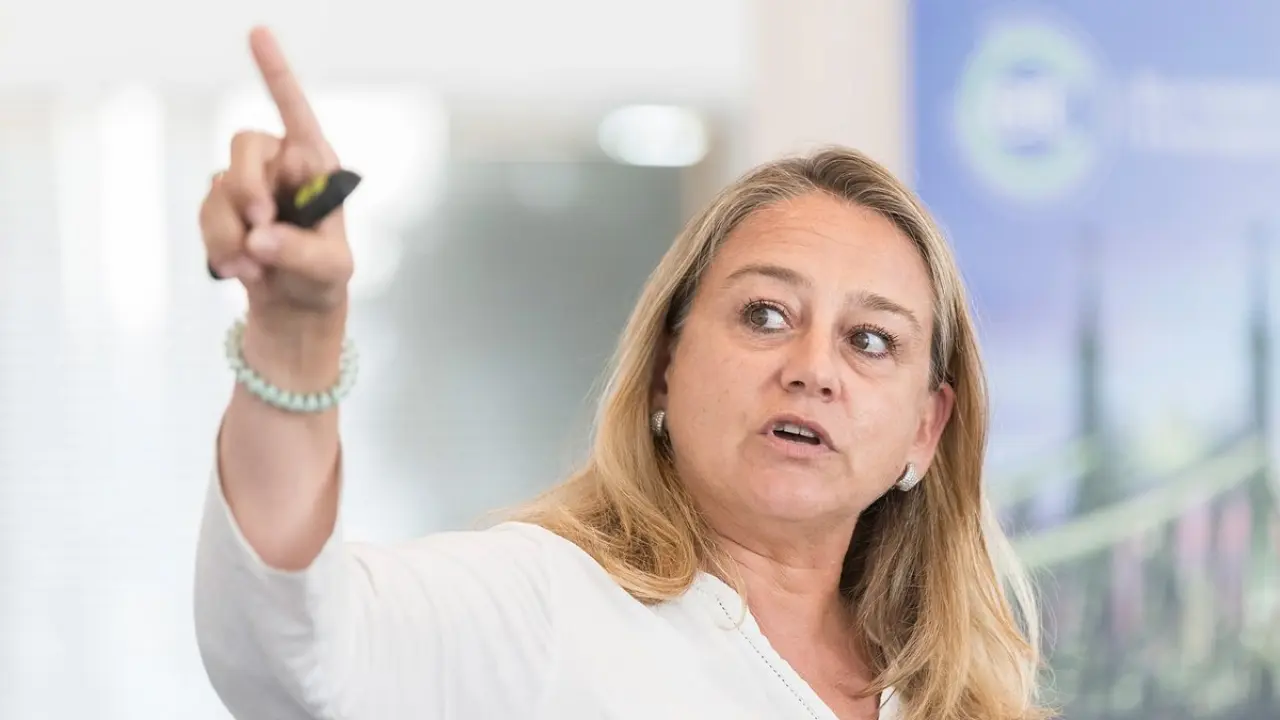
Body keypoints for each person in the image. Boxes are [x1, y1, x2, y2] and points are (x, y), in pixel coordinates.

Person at [194, 26, 1049, 720]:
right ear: (667, 364)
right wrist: (295, 334)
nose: (813, 369)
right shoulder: (543, 606)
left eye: (870, 340)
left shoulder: (959, 700)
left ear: (925, 430)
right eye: (765, 315)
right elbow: (293, 653)